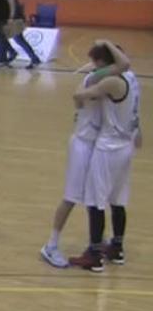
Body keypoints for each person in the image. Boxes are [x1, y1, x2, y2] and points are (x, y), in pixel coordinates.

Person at [40, 41, 130, 268]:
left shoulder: (110, 81)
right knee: (72, 196)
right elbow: (78, 97)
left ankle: (98, 247)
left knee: (98, 198)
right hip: (83, 143)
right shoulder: (95, 78)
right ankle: (51, 245)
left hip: (96, 144)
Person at [69, 47, 141, 272]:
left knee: (95, 200)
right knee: (117, 199)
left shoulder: (112, 82)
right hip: (126, 145)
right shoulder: (132, 78)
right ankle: (117, 248)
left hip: (108, 148)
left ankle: (94, 254)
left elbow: (80, 95)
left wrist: (90, 75)